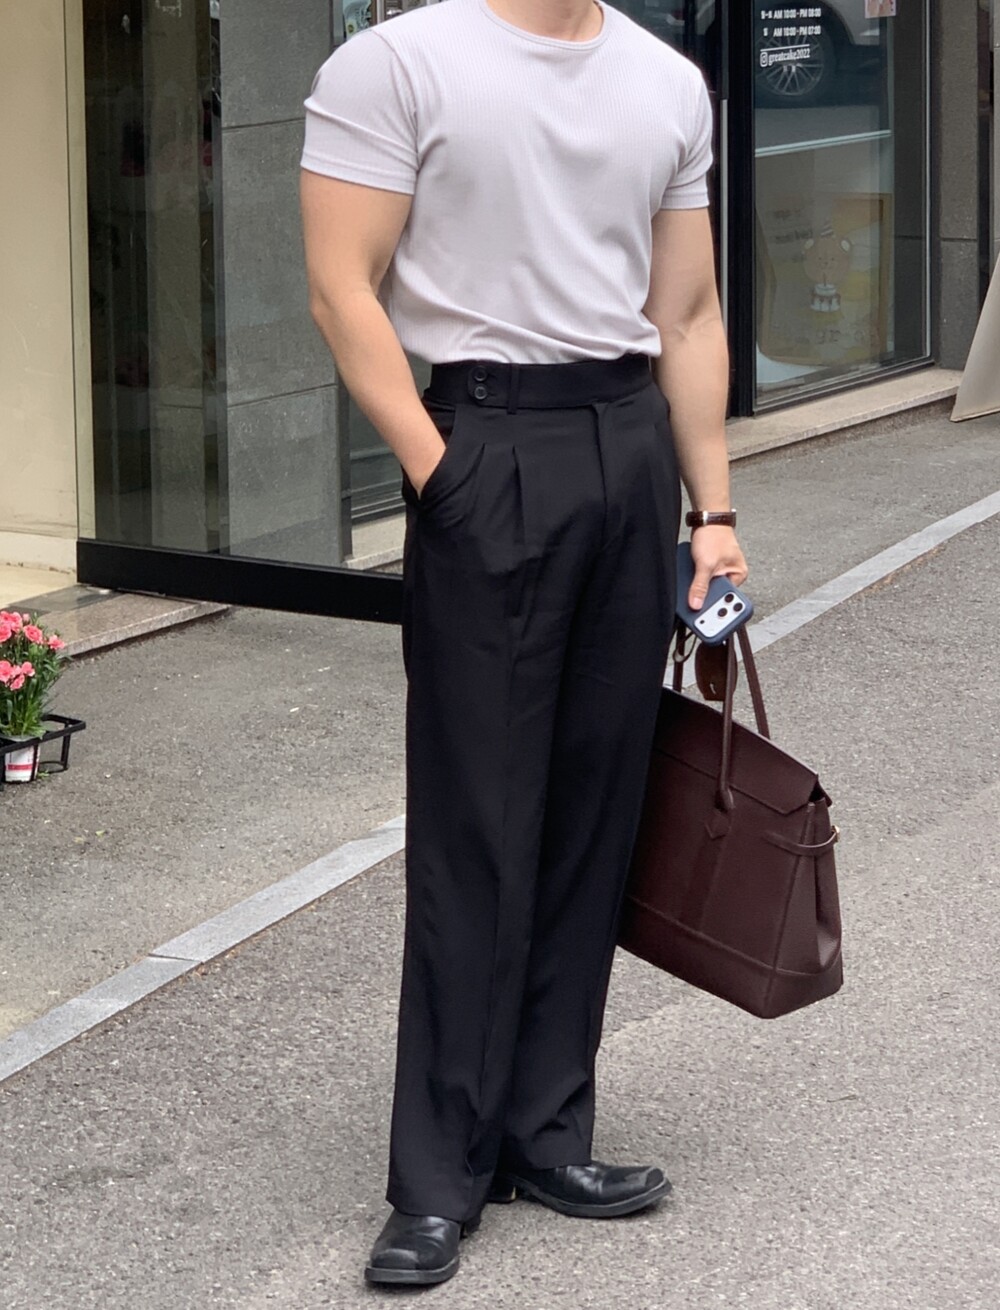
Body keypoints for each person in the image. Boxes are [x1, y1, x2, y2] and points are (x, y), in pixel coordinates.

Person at [301, 0, 747, 1287]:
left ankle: (548, 1131)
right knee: (477, 821)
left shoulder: (665, 81)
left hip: (628, 447)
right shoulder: (396, 63)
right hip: (483, 437)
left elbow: (689, 310)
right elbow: (341, 287)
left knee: (596, 805)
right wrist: (440, 473)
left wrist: (712, 511)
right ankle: (438, 1175)